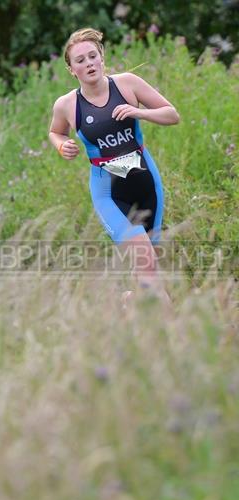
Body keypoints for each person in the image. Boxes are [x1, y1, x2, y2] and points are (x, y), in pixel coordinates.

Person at [48, 28, 179, 305]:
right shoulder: (67, 105)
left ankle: (128, 306)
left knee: (147, 266)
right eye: (80, 60)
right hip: (109, 193)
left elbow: (172, 115)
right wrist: (62, 145)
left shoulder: (128, 84)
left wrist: (138, 112)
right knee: (145, 260)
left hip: (147, 186)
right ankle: (169, 329)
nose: (89, 63)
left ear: (102, 58)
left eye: (92, 56)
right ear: (72, 70)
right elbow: (56, 132)